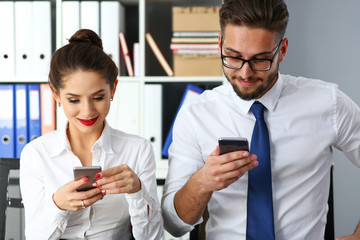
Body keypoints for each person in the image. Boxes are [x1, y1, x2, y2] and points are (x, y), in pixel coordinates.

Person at [161, 0, 360, 239]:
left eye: (260, 59)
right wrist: (202, 181)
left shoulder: (329, 103)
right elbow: (173, 225)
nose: (245, 73)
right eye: (233, 57)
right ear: (220, 45)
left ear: (282, 50)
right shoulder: (196, 113)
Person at [20, 29, 163, 240]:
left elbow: (152, 237)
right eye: (74, 100)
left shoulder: (137, 149)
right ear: (56, 94)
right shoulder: (36, 153)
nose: (87, 111)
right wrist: (57, 205)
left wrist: (137, 192)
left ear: (113, 89)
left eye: (97, 97)